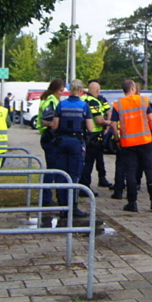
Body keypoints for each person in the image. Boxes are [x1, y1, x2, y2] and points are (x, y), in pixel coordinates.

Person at [110, 80, 152, 213]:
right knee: (149, 170)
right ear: (133, 88)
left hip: (127, 143)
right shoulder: (143, 101)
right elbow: (151, 119)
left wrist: (117, 139)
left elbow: (113, 125)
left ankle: (132, 203)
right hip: (145, 140)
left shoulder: (117, 105)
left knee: (130, 172)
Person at [49, 79, 93, 218]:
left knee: (62, 173)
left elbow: (54, 126)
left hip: (62, 141)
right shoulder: (84, 105)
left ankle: (62, 206)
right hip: (76, 143)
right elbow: (90, 127)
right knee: (74, 174)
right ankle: (72, 207)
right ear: (80, 91)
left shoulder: (61, 104)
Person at [37, 79, 65, 207]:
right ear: (54, 89)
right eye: (60, 90)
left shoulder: (52, 99)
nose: (62, 93)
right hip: (50, 136)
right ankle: (46, 198)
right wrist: (58, 125)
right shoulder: (50, 101)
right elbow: (46, 121)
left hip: (50, 136)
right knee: (52, 168)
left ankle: (47, 197)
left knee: (53, 168)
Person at [80, 80, 112, 190]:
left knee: (96, 159)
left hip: (85, 134)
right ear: (97, 90)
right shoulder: (93, 102)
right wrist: (111, 124)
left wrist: (107, 127)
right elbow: (99, 120)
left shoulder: (83, 99)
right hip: (93, 135)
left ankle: (100, 179)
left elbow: (108, 112)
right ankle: (85, 186)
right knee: (89, 162)